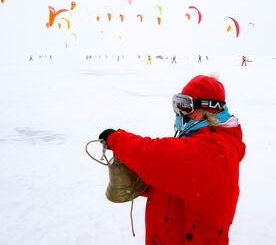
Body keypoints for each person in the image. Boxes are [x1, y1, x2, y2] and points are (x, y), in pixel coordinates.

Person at [98, 75, 245, 244]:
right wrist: (140, 178)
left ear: (209, 109)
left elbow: (157, 155)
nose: (179, 112)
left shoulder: (215, 149)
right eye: (177, 104)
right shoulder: (196, 141)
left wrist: (117, 140)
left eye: (185, 105)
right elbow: (172, 180)